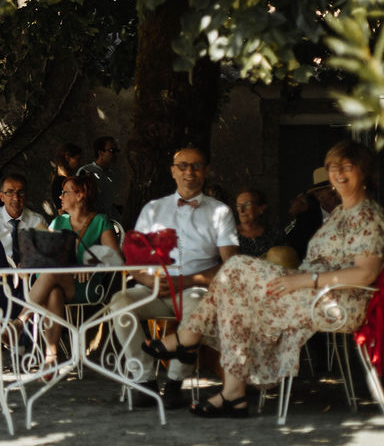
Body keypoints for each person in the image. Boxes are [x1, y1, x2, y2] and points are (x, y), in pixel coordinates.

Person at [144, 140, 384, 417]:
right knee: (236, 299)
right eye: (333, 167)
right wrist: (301, 281)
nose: (339, 174)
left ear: (364, 172)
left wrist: (303, 280)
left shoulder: (368, 215)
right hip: (313, 292)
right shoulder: (342, 212)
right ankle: (232, 393)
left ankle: (187, 338)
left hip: (339, 300)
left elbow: (365, 273)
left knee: (236, 268)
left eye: (348, 167)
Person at [109, 147, 239, 409]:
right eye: (182, 166)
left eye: (196, 165)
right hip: (154, 288)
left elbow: (231, 265)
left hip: (196, 288)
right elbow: (133, 260)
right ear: (173, 171)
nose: (189, 171)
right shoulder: (153, 209)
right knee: (120, 302)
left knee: (199, 308)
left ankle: (175, 383)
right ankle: (144, 381)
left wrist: (188, 281)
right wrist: (149, 282)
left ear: (206, 171)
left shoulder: (221, 212)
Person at [11, 175, 121, 370]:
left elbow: (116, 258)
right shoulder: (57, 222)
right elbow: (49, 258)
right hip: (57, 283)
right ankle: (50, 356)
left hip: (86, 286)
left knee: (52, 275)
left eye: (65, 192)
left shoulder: (100, 221)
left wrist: (89, 263)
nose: (60, 197)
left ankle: (20, 322)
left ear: (80, 195)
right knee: (53, 288)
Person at [0, 172, 45, 264]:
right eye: (10, 192)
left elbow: (47, 255)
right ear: (1, 197)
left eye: (20, 192)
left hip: (30, 273)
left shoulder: (37, 221)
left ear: (26, 196)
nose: (16, 198)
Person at [76, 136, 121, 222]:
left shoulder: (111, 174)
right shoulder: (86, 171)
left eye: (117, 151)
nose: (115, 154)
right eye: (112, 151)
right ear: (100, 153)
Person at [234, 188, 284, 257]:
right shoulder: (231, 235)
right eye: (238, 206)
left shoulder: (275, 234)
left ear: (261, 208)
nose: (241, 210)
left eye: (247, 204)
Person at [50, 142, 83, 214]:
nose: (79, 162)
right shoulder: (60, 182)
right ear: (67, 157)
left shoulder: (62, 180)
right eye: (77, 159)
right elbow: (62, 210)